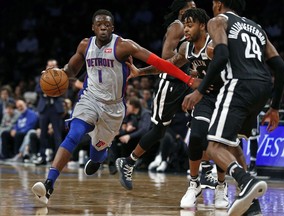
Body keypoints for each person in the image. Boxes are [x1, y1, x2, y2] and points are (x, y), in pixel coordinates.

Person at [31, 9, 199, 205]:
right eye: (99, 24)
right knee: (74, 133)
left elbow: (161, 63)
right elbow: (71, 71)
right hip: (89, 99)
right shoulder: (85, 45)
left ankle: (97, 159)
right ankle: (49, 184)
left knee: (97, 153)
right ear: (93, 27)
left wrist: (188, 80)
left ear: (113, 27)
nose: (103, 27)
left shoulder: (124, 46)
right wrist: (57, 72)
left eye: (108, 24)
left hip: (113, 109)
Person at [181, 0, 284, 215]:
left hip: (239, 84)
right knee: (233, 143)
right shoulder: (257, 28)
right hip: (263, 86)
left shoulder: (218, 21)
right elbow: (281, 68)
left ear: (218, 4)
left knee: (213, 146)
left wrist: (199, 91)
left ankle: (245, 180)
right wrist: (274, 107)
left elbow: (221, 56)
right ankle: (252, 203)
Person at [122, 8, 230, 209]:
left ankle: (221, 187)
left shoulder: (213, 46)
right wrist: (140, 72)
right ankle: (193, 184)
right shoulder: (186, 49)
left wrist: (203, 81)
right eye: (185, 25)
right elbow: (167, 65)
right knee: (197, 138)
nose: (185, 29)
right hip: (204, 98)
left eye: (190, 25)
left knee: (217, 142)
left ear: (202, 26)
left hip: (224, 96)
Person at [33, 59, 65, 165]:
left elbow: (63, 90)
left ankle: (58, 159)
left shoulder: (61, 76)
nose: (51, 68)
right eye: (49, 66)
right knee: (42, 134)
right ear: (46, 66)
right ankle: (42, 156)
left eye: (53, 66)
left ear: (57, 66)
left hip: (55, 108)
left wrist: (51, 89)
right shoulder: (41, 77)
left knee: (57, 134)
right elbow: (37, 89)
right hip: (44, 108)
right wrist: (49, 89)